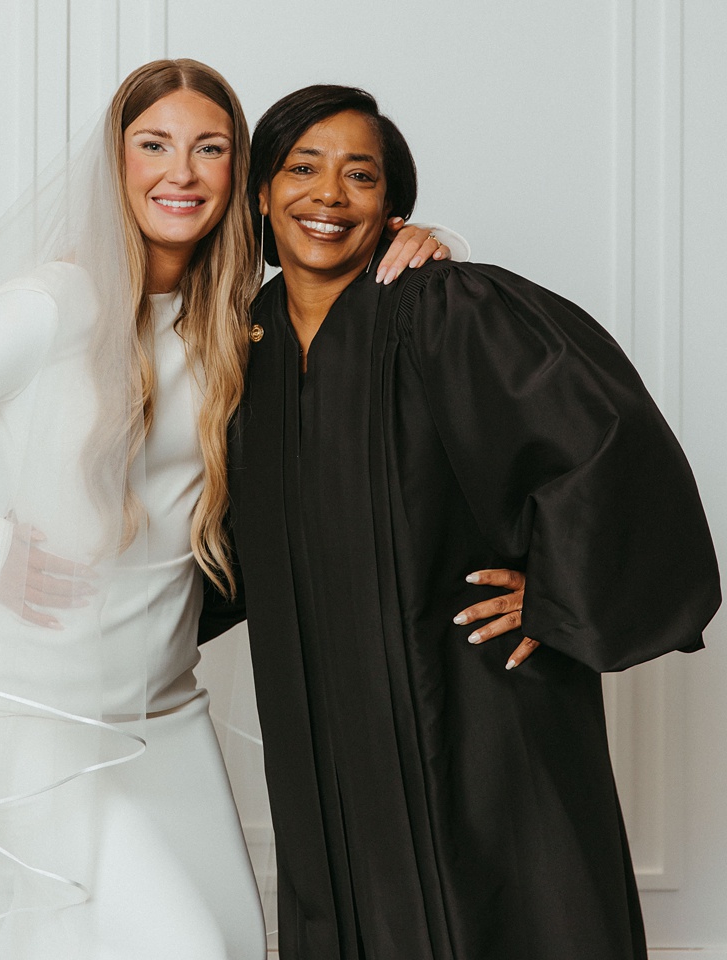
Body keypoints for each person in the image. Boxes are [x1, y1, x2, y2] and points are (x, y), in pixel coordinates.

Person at [0, 62, 477, 958]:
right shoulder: (54, 305)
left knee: (222, 942)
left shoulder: (232, 320)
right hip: (33, 717)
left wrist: (417, 251)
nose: (180, 172)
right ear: (116, 162)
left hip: (167, 717)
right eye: (154, 145)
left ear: (240, 179)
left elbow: (331, 276)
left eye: (208, 148)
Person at [205, 85, 721, 960]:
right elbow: (217, 535)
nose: (328, 195)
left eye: (358, 175)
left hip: (476, 703)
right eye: (302, 168)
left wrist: (558, 590)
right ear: (259, 192)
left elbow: (606, 435)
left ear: (392, 206)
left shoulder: (445, 308)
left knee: (512, 912)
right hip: (322, 724)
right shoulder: (239, 343)